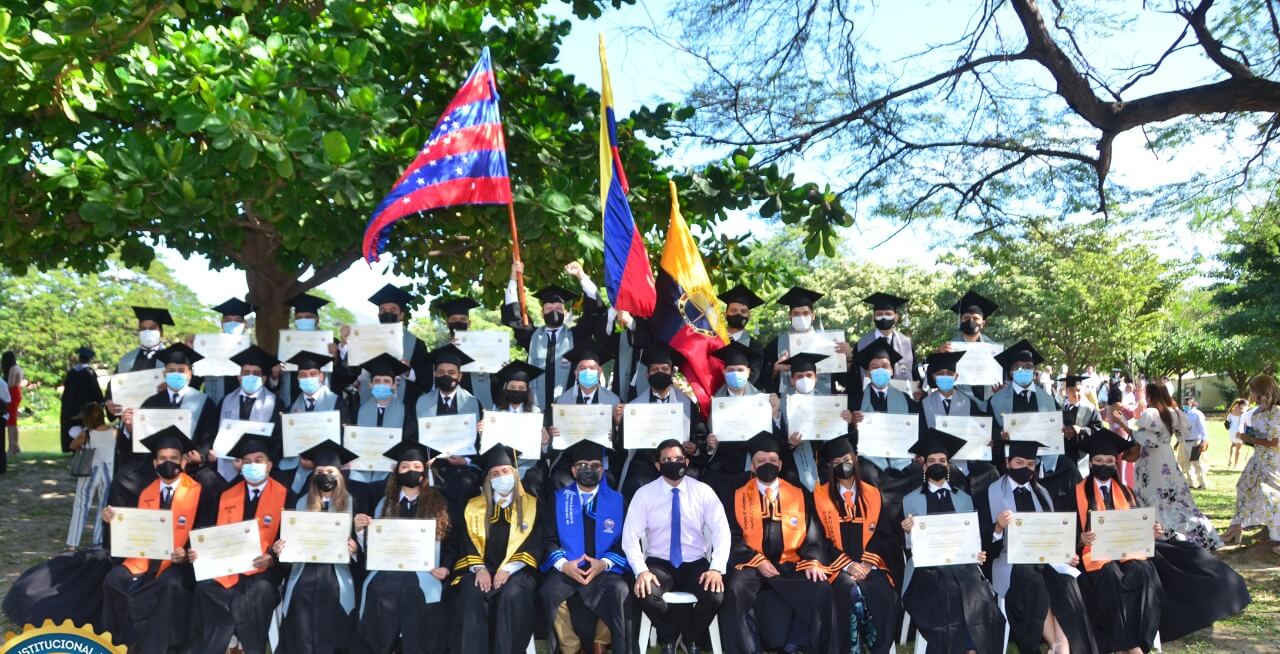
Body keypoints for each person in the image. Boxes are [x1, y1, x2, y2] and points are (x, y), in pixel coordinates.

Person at [720, 433, 835, 654]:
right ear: (752, 467)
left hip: (790, 561)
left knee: (820, 587)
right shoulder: (736, 495)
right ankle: (748, 649)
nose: (767, 465)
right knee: (735, 589)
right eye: (761, 461)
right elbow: (730, 536)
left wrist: (812, 561)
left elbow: (813, 535)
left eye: (772, 460)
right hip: (752, 562)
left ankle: (797, 645)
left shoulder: (799, 494)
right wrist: (758, 560)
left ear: (781, 464)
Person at [980, 440, 1098, 654]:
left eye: (1031, 464)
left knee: (1066, 579)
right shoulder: (991, 491)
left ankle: (1061, 643)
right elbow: (984, 543)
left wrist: (1064, 553)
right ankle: (1058, 645)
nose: (1025, 468)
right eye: (1019, 462)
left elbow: (1052, 534)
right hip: (1009, 560)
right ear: (1008, 462)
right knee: (1034, 578)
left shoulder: (1042, 492)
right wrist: (997, 527)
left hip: (1044, 558)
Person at [899, 428, 1005, 654]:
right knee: (947, 591)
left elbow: (971, 539)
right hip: (925, 570)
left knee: (976, 590)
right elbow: (910, 549)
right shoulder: (910, 500)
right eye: (932, 460)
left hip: (962, 566)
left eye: (942, 460)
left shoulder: (964, 498)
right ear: (924, 466)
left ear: (948, 465)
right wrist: (907, 532)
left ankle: (972, 649)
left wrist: (976, 553)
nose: (937, 464)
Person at [100, 427, 204, 653]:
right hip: (145, 558)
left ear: (183, 462)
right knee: (114, 580)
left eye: (174, 458)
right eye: (163, 458)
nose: (169, 463)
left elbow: (206, 530)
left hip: (182, 564)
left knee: (169, 584)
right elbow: (130, 533)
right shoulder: (145, 491)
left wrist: (186, 552)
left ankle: (161, 647)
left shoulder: (199, 491)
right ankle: (117, 643)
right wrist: (111, 521)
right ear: (155, 463)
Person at [622, 439, 729, 654]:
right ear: (658, 465)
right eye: (667, 460)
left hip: (695, 563)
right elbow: (630, 537)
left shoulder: (703, 491)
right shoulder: (644, 494)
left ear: (687, 461)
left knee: (715, 595)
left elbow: (721, 531)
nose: (673, 463)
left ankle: (691, 638)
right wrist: (641, 571)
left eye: (678, 459)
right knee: (644, 592)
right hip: (658, 564)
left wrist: (716, 568)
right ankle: (668, 636)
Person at [189, 433, 289, 654]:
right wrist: (201, 552)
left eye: (259, 460)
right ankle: (223, 645)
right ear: (240, 466)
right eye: (247, 461)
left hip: (265, 571)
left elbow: (291, 542)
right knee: (205, 588)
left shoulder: (286, 496)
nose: (253, 465)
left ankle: (246, 646)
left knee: (258, 592)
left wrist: (272, 559)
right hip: (228, 568)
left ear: (270, 465)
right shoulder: (226, 495)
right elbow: (216, 535)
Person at [355, 441, 456, 654]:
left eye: (417, 467)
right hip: (388, 570)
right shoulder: (384, 503)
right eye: (405, 467)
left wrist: (446, 567)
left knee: (415, 591)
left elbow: (451, 543)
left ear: (425, 471)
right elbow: (373, 548)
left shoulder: (440, 503)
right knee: (379, 588)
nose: (411, 471)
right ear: (396, 471)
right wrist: (361, 531)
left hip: (426, 572)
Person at [1072, 429, 1163, 654]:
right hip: (1093, 555)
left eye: (1109, 461)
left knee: (1142, 573)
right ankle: (1129, 647)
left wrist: (1150, 531)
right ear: (1091, 462)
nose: (1104, 465)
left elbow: (1136, 526)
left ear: (1116, 463)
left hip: (1126, 551)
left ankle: (1134, 641)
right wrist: (1079, 538)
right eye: (1099, 460)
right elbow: (1066, 531)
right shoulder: (1074, 492)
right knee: (1111, 575)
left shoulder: (1127, 492)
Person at [538, 440, 633, 654]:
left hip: (604, 568)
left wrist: (604, 563)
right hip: (570, 567)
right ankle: (571, 646)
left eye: (594, 465)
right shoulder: (558, 499)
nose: (588, 469)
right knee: (548, 591)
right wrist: (564, 565)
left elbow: (626, 539)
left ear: (602, 469)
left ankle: (601, 642)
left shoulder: (617, 501)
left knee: (621, 591)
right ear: (572, 470)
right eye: (582, 465)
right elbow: (549, 538)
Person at [813, 438, 902, 654]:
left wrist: (867, 564)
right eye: (837, 462)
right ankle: (854, 648)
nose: (843, 465)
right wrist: (848, 566)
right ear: (830, 467)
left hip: (869, 563)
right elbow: (818, 540)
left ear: (855, 460)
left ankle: (875, 644)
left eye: (847, 459)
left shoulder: (873, 494)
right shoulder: (819, 496)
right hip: (836, 566)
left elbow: (884, 536)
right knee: (848, 589)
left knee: (881, 591)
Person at [451, 444, 542, 654]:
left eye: (505, 471)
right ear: (488, 479)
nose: (501, 476)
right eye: (495, 473)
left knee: (513, 593)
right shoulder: (474, 506)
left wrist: (508, 569)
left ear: (515, 473)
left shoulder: (532, 505)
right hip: (482, 570)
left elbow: (534, 544)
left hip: (517, 571)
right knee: (470, 592)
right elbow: (466, 543)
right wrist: (479, 569)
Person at [273, 440, 360, 654]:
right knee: (300, 599)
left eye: (330, 471)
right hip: (304, 571)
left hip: (336, 573)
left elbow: (367, 549)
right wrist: (280, 549)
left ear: (340, 474)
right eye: (320, 471)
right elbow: (289, 544)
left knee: (331, 600)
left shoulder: (355, 502)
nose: (325, 476)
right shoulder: (299, 502)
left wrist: (356, 548)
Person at [113, 343, 220, 509]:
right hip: (155, 464)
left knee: (210, 482)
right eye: (171, 370)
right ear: (164, 373)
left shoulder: (205, 403)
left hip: (190, 466)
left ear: (190, 374)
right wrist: (129, 430)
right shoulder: (151, 402)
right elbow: (139, 445)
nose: (175, 374)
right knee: (123, 478)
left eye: (181, 370)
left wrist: (201, 456)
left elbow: (210, 437)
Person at [503, 262, 607, 413]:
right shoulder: (531, 336)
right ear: (542, 313)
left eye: (558, 309)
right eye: (549, 309)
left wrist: (581, 275)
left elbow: (594, 311)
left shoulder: (576, 335)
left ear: (565, 313)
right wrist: (513, 276)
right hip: (535, 409)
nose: (554, 312)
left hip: (568, 409)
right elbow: (513, 314)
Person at [990, 340, 1079, 508]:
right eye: (1018, 367)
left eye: (1029, 367)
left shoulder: (1047, 399)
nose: (1024, 371)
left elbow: (1063, 423)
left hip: (1044, 460)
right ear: (1010, 371)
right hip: (1010, 463)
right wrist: (998, 436)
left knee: (1069, 469)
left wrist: (1068, 431)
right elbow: (991, 433)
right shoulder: (997, 400)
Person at [1132, 382, 1221, 550]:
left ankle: (1157, 532)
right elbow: (1182, 435)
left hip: (1151, 460)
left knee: (1150, 494)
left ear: (1150, 395)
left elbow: (1148, 441)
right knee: (1175, 495)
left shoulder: (1151, 413)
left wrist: (1127, 427)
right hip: (1167, 457)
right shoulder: (1175, 413)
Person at [618, 343, 706, 499]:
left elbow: (699, 437)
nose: (660, 373)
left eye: (665, 369)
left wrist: (695, 448)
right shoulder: (635, 407)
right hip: (646, 463)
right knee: (635, 483)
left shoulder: (688, 405)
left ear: (672, 372)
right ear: (647, 375)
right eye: (654, 370)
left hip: (678, 462)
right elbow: (623, 445)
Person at [702, 340, 777, 497]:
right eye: (731, 370)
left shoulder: (762, 400)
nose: (735, 373)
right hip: (721, 468)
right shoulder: (715, 402)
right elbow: (709, 444)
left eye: (740, 370)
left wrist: (775, 412)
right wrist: (710, 445)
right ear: (723, 372)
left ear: (749, 372)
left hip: (750, 466)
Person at [545, 340, 622, 491]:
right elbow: (551, 439)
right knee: (558, 481)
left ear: (599, 372)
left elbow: (621, 442)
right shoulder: (561, 402)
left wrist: (618, 425)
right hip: (570, 459)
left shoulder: (614, 401)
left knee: (610, 481)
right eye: (582, 368)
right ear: (575, 373)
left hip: (601, 459)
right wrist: (552, 432)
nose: (587, 371)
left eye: (592, 368)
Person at [414, 343, 482, 513]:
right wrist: (423, 458)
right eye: (441, 372)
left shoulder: (473, 403)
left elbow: (480, 441)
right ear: (435, 374)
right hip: (433, 465)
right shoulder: (422, 402)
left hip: (462, 466)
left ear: (460, 376)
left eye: (451, 373)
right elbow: (415, 435)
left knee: (464, 483)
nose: (446, 376)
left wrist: (466, 460)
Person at [919, 350, 997, 495]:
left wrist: (987, 442)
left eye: (949, 373)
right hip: (938, 462)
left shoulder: (970, 403)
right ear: (933, 376)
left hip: (966, 460)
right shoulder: (923, 405)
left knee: (989, 472)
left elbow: (981, 432)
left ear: (956, 376)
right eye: (940, 373)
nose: (945, 376)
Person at [849, 339, 920, 497]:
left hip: (901, 456)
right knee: (866, 473)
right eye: (874, 367)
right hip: (870, 458)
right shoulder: (854, 401)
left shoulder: (906, 400)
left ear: (892, 371)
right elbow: (847, 435)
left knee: (918, 471)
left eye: (885, 366)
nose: (880, 370)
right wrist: (852, 423)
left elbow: (915, 432)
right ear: (867, 372)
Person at [1222, 375, 1280, 554]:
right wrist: (1248, 438)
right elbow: (1259, 437)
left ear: (1262, 391)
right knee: (1244, 486)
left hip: (1272, 460)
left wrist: (1252, 438)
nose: (1250, 394)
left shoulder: (1276, 412)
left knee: (1270, 494)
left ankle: (1277, 536)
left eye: (1252, 390)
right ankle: (1237, 527)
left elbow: (1275, 442)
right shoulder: (1255, 412)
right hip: (1258, 459)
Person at [348, 353, 412, 514]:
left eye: (386, 381)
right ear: (369, 385)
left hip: (389, 470)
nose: (381, 385)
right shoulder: (358, 409)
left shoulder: (406, 411)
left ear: (394, 386)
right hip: (361, 470)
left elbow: (409, 440)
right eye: (377, 381)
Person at [215, 345, 283, 483]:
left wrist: (252, 462)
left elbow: (278, 439)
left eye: (256, 373)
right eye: (246, 373)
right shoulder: (225, 401)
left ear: (264, 378)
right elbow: (215, 433)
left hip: (260, 469)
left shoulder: (276, 403)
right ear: (239, 377)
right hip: (228, 467)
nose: (250, 376)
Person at [764, 286, 850, 394]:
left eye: (805, 313)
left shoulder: (829, 342)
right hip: (788, 404)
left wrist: (848, 357)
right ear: (789, 316)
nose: (801, 317)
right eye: (796, 314)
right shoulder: (776, 344)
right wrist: (775, 369)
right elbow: (763, 380)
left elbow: (843, 380)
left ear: (813, 315)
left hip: (823, 402)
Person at [284, 351, 349, 495]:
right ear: (298, 378)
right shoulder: (291, 407)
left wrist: (317, 462)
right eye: (303, 374)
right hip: (296, 467)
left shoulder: (337, 402)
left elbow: (342, 437)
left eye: (313, 374)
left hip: (325, 470)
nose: (308, 378)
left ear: (321, 376)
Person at [774, 352, 835, 491]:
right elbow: (777, 439)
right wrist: (789, 444)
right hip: (794, 458)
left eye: (809, 375)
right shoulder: (782, 403)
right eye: (799, 376)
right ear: (791, 380)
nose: (804, 379)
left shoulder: (829, 403)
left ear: (816, 378)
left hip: (823, 457)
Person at [365, 284, 433, 403]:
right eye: (383, 310)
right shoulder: (365, 340)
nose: (387, 313)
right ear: (378, 315)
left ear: (401, 315)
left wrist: (408, 372)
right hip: (370, 402)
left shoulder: (417, 344)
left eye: (393, 310)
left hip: (405, 406)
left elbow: (427, 381)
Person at [489, 360, 550, 496]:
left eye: (521, 388)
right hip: (503, 464)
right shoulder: (496, 412)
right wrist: (484, 432)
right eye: (513, 387)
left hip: (530, 463)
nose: (517, 391)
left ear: (527, 391)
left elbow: (543, 450)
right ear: (506, 388)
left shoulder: (536, 412)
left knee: (532, 483)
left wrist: (545, 441)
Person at [66, 403, 117, 549]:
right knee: (104, 506)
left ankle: (73, 543)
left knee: (81, 505)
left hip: (89, 471)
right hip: (109, 471)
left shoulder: (86, 432)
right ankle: (98, 541)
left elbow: (72, 445)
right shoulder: (115, 431)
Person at [433, 295, 497, 408]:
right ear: (447, 323)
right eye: (453, 319)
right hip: (450, 402)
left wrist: (501, 366)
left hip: (478, 399)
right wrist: (449, 347)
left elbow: (494, 378)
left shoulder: (484, 348)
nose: (458, 322)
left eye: (463, 319)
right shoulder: (440, 351)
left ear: (469, 323)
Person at [939, 289, 999, 405]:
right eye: (966, 318)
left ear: (983, 323)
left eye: (976, 318)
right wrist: (939, 357)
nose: (971, 321)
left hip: (989, 402)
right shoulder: (948, 348)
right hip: (958, 403)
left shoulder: (994, 349)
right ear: (960, 321)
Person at [275, 292, 332, 407]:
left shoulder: (330, 342)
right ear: (295, 321)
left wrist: (335, 357)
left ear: (317, 319)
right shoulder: (286, 343)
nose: (303, 320)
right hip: (291, 394)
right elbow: (276, 375)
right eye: (299, 317)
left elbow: (344, 376)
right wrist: (277, 371)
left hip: (322, 398)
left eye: (308, 317)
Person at [854, 292, 916, 393]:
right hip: (869, 401)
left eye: (888, 314)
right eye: (879, 314)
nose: (883, 318)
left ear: (896, 318)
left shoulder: (907, 344)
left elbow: (914, 373)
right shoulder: (861, 344)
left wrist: (918, 391)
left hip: (901, 401)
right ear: (873, 317)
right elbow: (855, 378)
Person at [202, 297, 255, 404]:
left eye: (238, 320)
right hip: (213, 402)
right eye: (228, 320)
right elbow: (195, 380)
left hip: (242, 406)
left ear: (245, 325)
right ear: (221, 324)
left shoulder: (253, 351)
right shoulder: (209, 348)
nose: (232, 323)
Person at [60, 346, 105, 453]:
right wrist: (101, 401)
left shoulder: (72, 373)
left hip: (70, 407)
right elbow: (95, 389)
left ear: (79, 358)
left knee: (72, 428)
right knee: (84, 427)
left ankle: (72, 447)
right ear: (89, 360)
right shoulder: (89, 373)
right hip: (84, 407)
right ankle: (83, 447)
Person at [718, 285, 766, 385]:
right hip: (713, 395)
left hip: (743, 396)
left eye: (743, 311)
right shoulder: (714, 340)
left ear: (749, 316)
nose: (738, 314)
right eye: (733, 310)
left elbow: (753, 376)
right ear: (725, 314)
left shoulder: (755, 346)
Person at [1179, 397, 1209, 490]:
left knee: (1197, 463)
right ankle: (1190, 483)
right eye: (1184, 404)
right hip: (1185, 441)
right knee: (1187, 463)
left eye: (1187, 404)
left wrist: (1204, 441)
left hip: (1195, 441)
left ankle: (1202, 483)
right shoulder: (1183, 414)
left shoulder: (1197, 414)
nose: (1185, 406)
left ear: (1192, 404)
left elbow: (1203, 428)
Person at [4, 350, 25, 457]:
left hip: (12, 394)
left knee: (11, 422)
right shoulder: (18, 368)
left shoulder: (12, 369)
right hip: (17, 393)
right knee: (13, 421)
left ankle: (12, 448)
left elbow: (10, 384)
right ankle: (16, 447)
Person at [1226, 397, 1248, 469]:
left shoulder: (1232, 411)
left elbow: (1228, 420)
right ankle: (1235, 465)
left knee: (1233, 445)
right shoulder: (1243, 412)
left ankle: (1230, 459)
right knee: (1238, 449)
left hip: (1231, 431)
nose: (1246, 406)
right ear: (1240, 404)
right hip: (1239, 431)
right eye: (1245, 405)